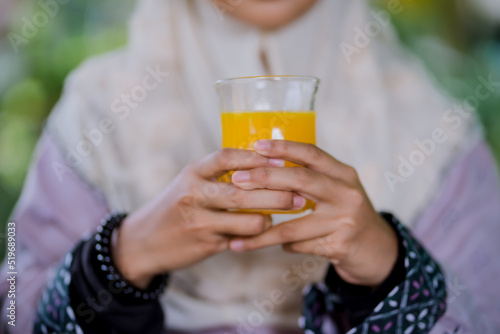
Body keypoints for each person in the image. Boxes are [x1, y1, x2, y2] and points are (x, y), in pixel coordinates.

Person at [1, 0, 500, 333]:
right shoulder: (96, 111)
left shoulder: (436, 132)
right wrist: (123, 256)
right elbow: (12, 307)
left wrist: (388, 268)